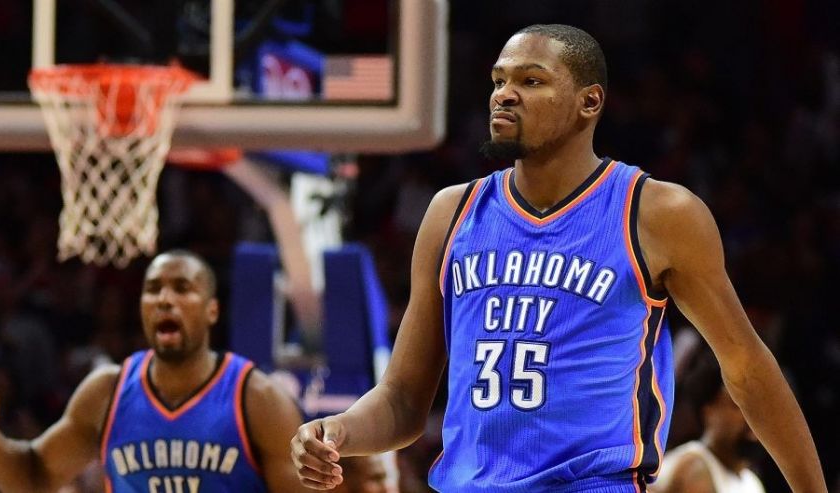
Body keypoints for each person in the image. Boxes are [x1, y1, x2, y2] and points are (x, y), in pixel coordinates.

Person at [289, 24, 827, 492]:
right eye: (498, 80)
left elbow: (748, 369)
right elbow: (405, 399)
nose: (504, 95)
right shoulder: (450, 213)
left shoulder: (658, 212)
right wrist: (340, 431)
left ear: (588, 102)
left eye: (531, 81)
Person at [0, 249, 309, 492]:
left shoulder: (256, 399)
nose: (164, 299)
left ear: (212, 311)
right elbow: (32, 476)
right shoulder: (106, 391)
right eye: (153, 288)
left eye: (182, 288)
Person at [652, 347, 766, 493]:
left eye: (756, 409)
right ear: (709, 411)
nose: (751, 418)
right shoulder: (694, 467)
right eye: (738, 406)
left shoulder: (752, 482)